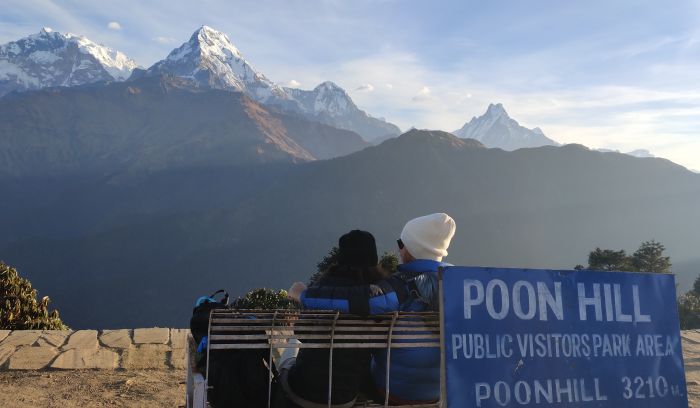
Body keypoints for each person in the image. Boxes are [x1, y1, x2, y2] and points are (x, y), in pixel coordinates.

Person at [288, 213, 456, 404]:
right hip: (442, 392)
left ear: (412, 249)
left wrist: (303, 294)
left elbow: (357, 300)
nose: (399, 250)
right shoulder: (463, 286)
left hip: (395, 391)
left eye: (401, 244)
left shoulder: (401, 288)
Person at [280, 229, 386, 408]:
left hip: (303, 392)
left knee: (288, 354)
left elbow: (301, 332)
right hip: (346, 397)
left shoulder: (323, 292)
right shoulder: (379, 300)